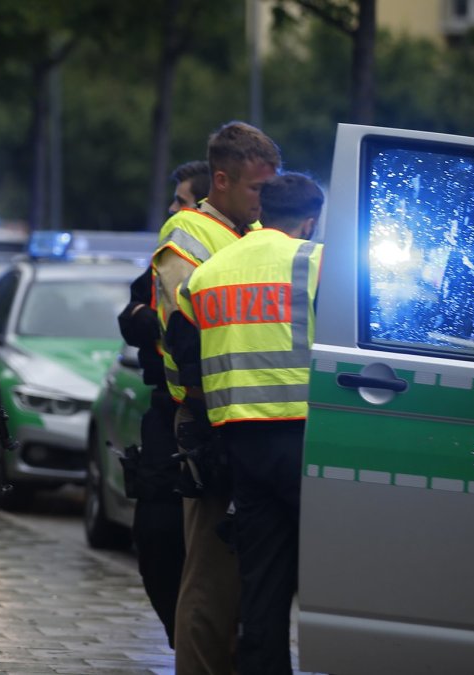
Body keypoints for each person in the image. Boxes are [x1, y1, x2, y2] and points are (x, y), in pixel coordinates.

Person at [167, 172, 324, 674]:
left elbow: (180, 354)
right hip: (308, 438)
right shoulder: (316, 263)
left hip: (240, 444)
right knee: (330, 573)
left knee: (262, 583)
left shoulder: (209, 273)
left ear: (260, 213)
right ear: (310, 221)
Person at [151, 121, 280, 675]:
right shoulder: (188, 234)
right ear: (221, 180)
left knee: (241, 579)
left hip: (248, 419)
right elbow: (189, 334)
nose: (264, 199)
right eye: (256, 188)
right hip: (208, 418)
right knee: (211, 580)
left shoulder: (248, 232)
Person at [116, 159, 209, 647]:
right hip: (164, 410)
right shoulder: (165, 260)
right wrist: (143, 320)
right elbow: (132, 314)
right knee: (154, 535)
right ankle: (183, 638)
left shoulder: (219, 261)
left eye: (181, 200)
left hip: (212, 417)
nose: (172, 210)